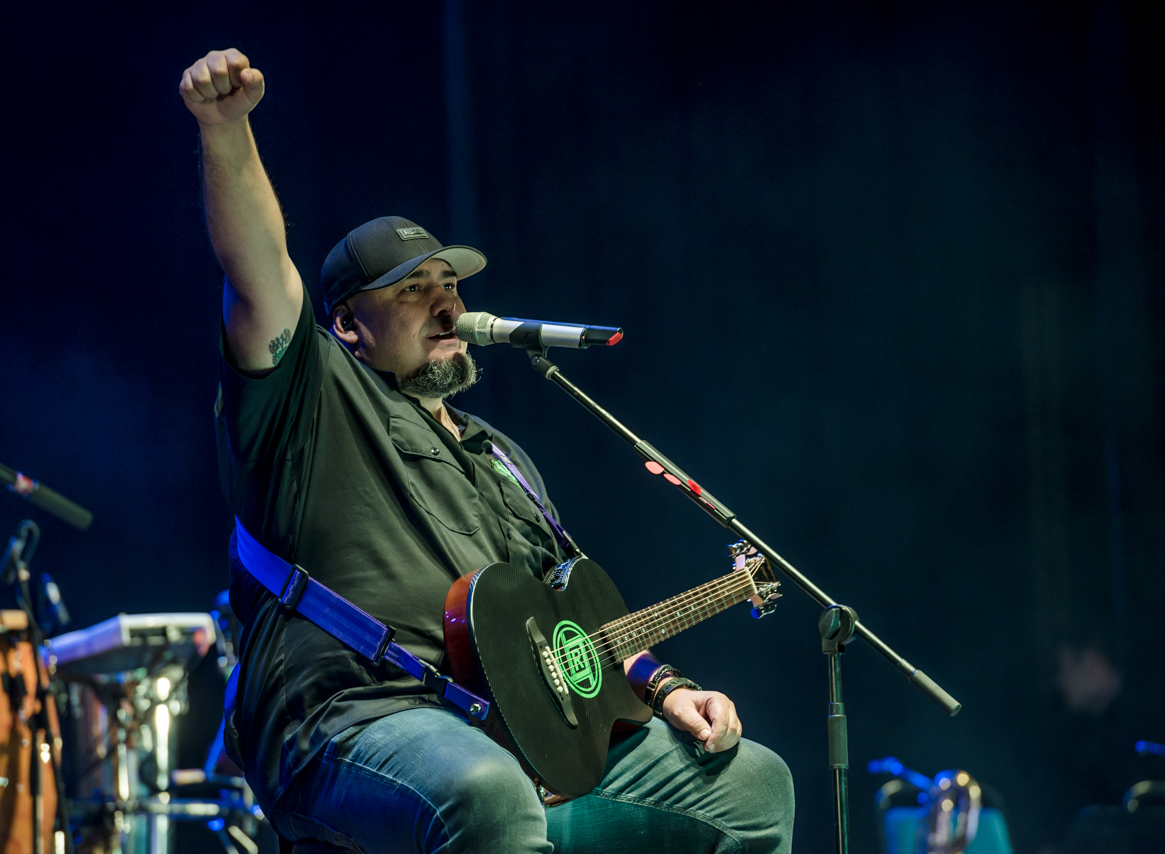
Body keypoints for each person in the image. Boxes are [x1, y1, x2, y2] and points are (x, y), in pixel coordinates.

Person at [179, 47, 795, 852]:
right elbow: (259, 274)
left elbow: (574, 617)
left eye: (450, 287)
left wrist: (665, 687)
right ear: (347, 326)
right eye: (411, 291)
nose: (446, 306)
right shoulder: (312, 401)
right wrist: (227, 130)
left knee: (752, 785)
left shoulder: (503, 457)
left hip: (519, 738)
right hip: (350, 720)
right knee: (488, 794)